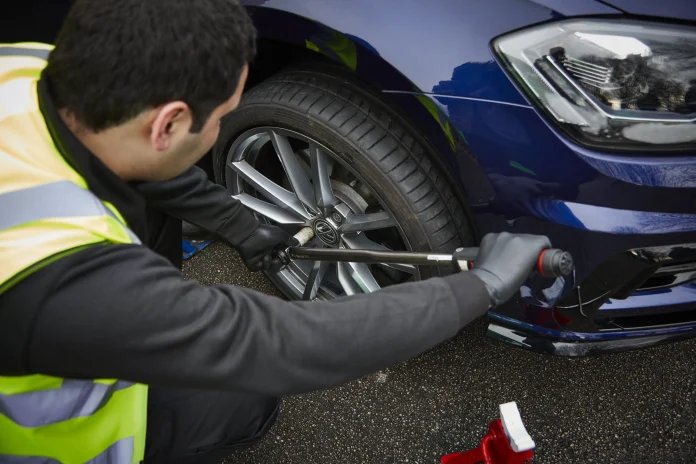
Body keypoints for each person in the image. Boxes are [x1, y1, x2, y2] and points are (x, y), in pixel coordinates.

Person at [0, 0, 553, 463]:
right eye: (221, 118)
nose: (222, 129)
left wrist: (245, 228)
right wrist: (480, 286)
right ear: (167, 123)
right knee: (248, 396)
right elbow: (277, 342)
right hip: (45, 438)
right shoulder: (66, 284)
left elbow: (135, 166)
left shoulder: (30, 70)